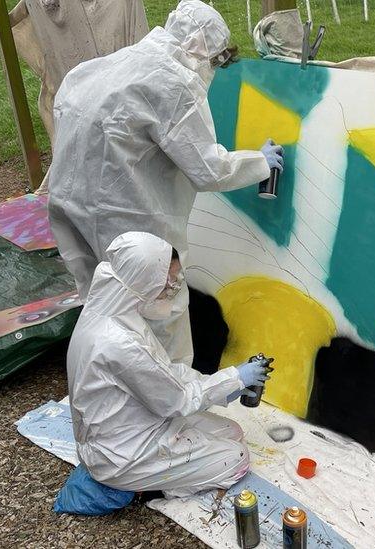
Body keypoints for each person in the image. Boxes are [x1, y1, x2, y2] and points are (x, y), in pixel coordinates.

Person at [46, 0, 284, 357]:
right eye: (216, 60)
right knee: (160, 310)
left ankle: (107, 388)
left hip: (70, 206)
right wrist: (259, 163)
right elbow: (207, 168)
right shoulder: (173, 82)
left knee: (102, 303)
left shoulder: (99, 68)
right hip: (125, 216)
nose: (213, 69)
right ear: (200, 48)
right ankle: (169, 403)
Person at [67, 232, 271, 497]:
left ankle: (159, 471)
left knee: (232, 431)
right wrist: (234, 379)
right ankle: (149, 490)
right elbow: (177, 400)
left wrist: (225, 385)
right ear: (144, 282)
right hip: (121, 455)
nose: (173, 290)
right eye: (169, 284)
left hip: (132, 422)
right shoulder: (120, 342)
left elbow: (164, 372)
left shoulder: (112, 311)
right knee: (236, 459)